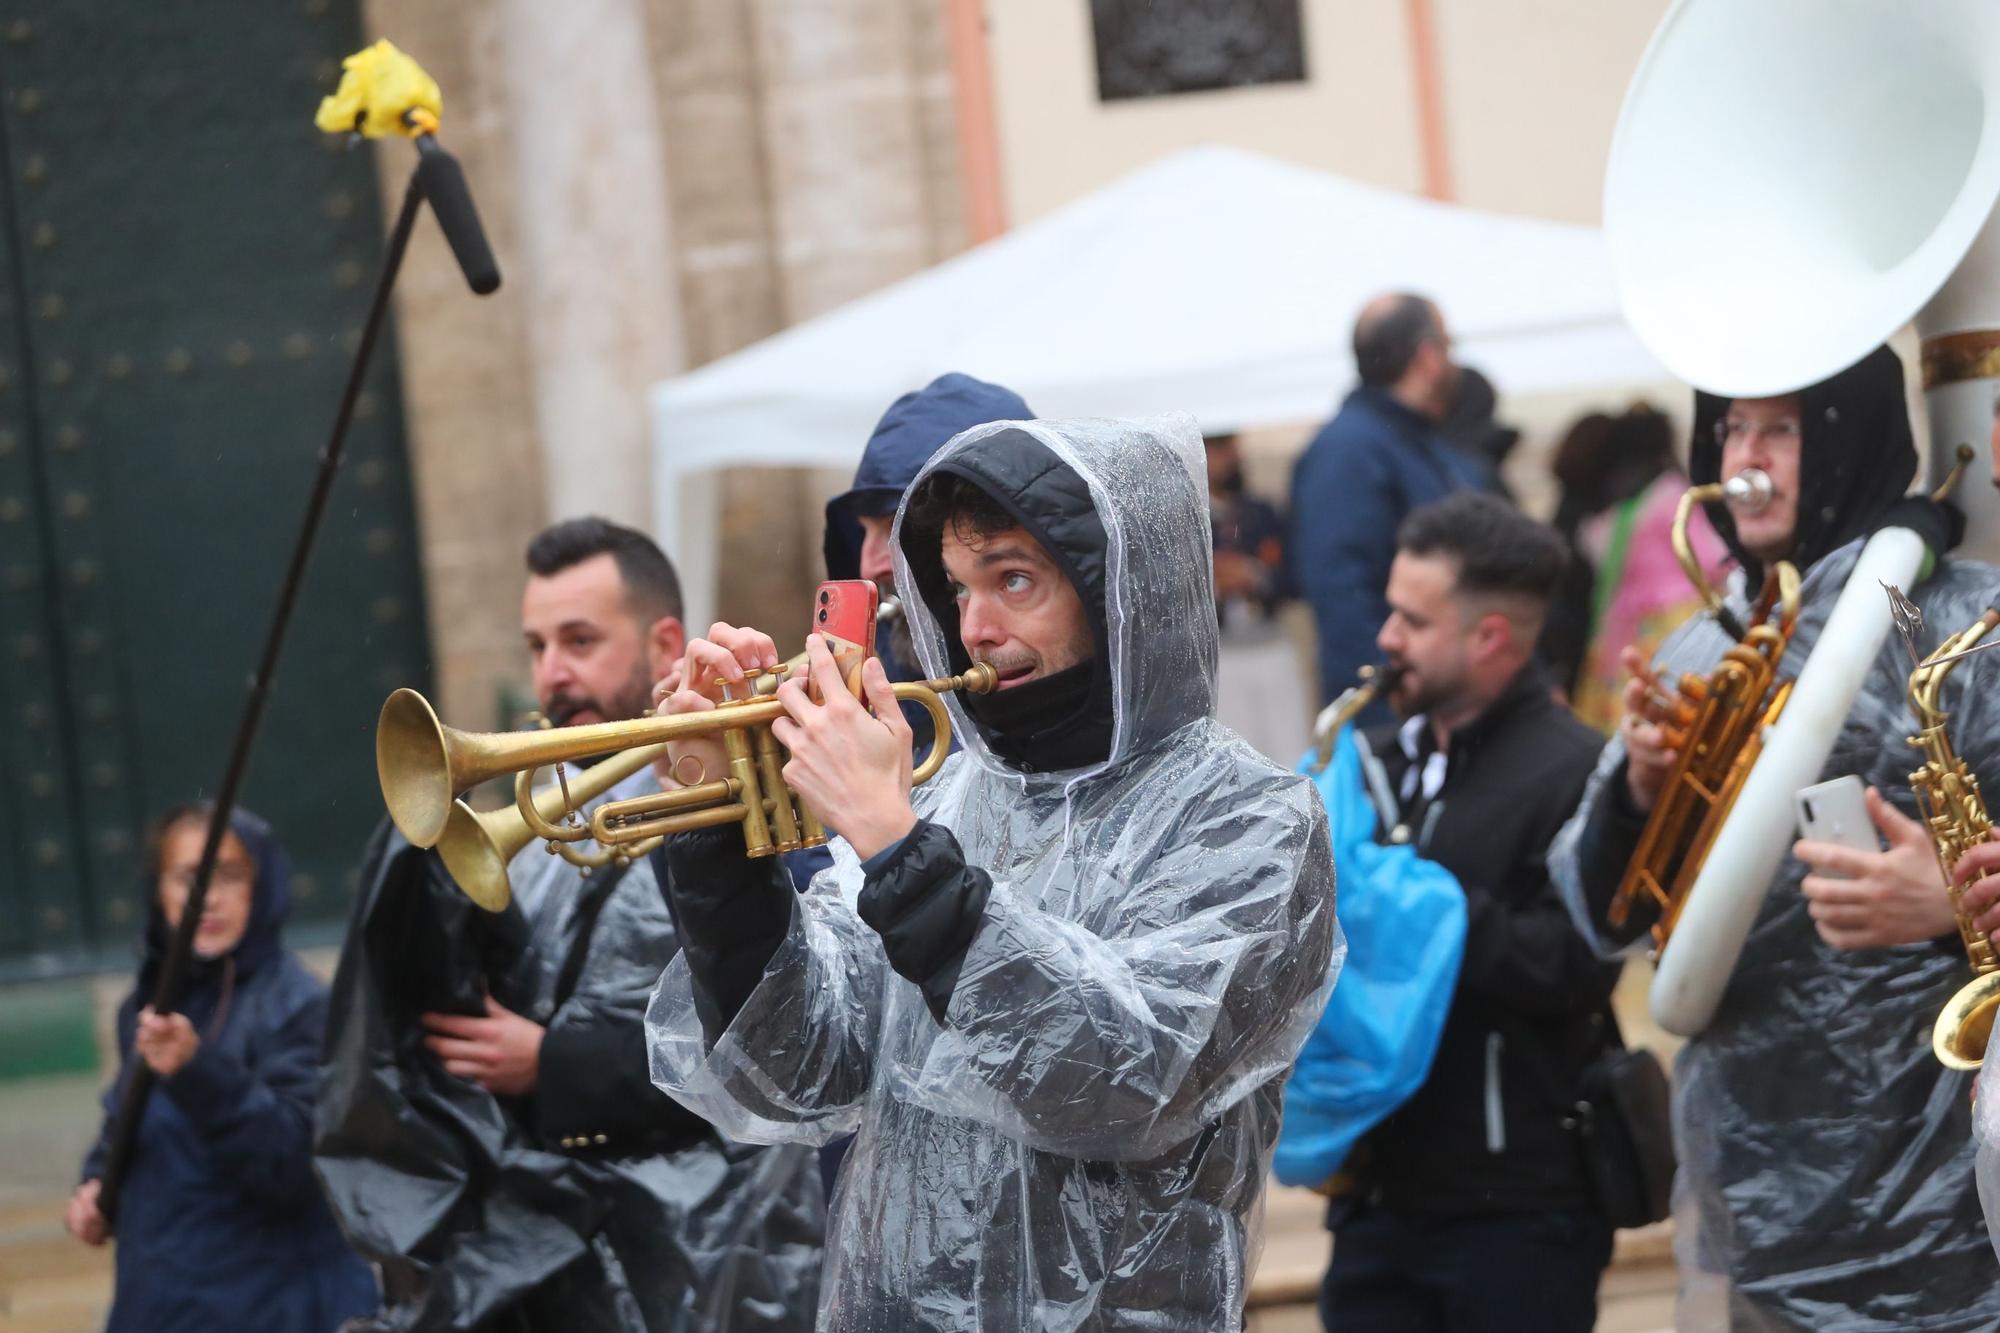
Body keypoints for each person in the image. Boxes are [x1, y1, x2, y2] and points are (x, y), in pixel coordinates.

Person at [643, 414, 1339, 1329]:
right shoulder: (948, 795)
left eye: (1014, 580)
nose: (976, 629)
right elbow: (799, 1068)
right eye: (958, 589)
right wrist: (717, 839)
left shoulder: (1252, 817)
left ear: (1121, 589)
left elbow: (1123, 1079)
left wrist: (898, 851)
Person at [1549, 345, 2000, 1328]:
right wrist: (1637, 788)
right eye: (1727, 427)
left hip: (1942, 1215)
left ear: (1847, 439)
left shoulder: (1968, 627)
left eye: (1779, 429)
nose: (1738, 459)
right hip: (1750, 1201)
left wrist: (1944, 910)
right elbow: (1599, 919)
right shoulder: (1705, 643)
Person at [316, 518, 821, 1332]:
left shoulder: (746, 787)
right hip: (565, 1253)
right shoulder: (548, 805)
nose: (553, 674)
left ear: (664, 646)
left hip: (713, 1254)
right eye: (538, 646)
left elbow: (783, 1030)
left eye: (580, 641)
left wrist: (551, 1062)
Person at [1315, 493, 1618, 1331]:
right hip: (1377, 1195)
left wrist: (1421, 903)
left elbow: (1574, 966)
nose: (1385, 638)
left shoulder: (1582, 771)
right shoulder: (1370, 759)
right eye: (1389, 610)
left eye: (1412, 621)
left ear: (1489, 639)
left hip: (1517, 1213)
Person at [68, 805, 377, 1332]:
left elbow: (293, 1166)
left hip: (273, 1302)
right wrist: (100, 1184)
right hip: (162, 1295)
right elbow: (129, 1117)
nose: (207, 898)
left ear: (262, 887)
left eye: (230, 876)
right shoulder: (146, 1003)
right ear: (159, 889)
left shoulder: (299, 1007)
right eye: (187, 877)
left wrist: (198, 1070)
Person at [1291, 293, 1483, 724]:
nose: (1453, 363)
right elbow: (1344, 598)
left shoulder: (1407, 443)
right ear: (1428, 356)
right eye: (1450, 347)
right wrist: (1394, 716)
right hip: (1400, 722)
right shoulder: (1350, 452)